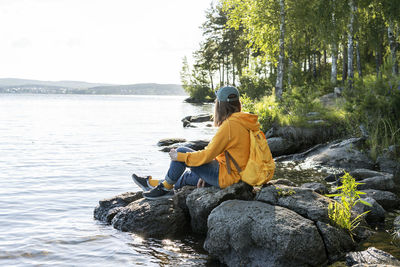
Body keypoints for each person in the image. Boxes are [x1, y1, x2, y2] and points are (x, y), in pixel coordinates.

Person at [132, 85, 263, 200]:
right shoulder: (245, 121)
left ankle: (165, 189)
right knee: (188, 176)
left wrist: (180, 157)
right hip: (242, 175)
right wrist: (204, 175)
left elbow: (207, 155)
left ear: (220, 105)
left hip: (230, 177)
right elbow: (230, 154)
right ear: (237, 103)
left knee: (182, 151)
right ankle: (152, 184)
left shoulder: (230, 126)